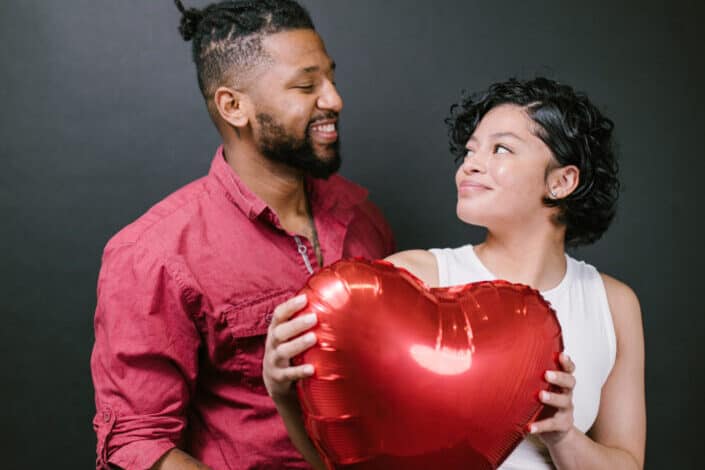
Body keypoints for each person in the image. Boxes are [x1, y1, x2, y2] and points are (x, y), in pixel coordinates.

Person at [263, 77, 646, 469]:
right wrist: (283, 395)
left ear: (562, 181)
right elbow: (347, 460)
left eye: (501, 148)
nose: (471, 165)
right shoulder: (405, 282)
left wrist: (563, 436)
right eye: (470, 150)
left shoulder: (612, 304)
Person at [90, 1, 395, 468]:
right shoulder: (155, 253)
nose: (334, 99)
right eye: (306, 85)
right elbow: (139, 444)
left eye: (331, 79)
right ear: (234, 106)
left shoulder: (364, 216)